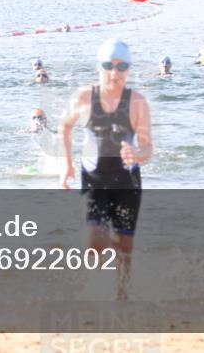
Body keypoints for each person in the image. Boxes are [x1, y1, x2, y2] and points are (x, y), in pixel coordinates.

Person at [60, 38, 153, 300]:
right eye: (108, 66)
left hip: (127, 183)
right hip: (94, 180)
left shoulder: (137, 102)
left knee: (125, 248)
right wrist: (67, 165)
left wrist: (137, 153)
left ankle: (122, 299)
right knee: (94, 243)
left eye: (122, 66)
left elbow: (148, 148)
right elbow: (64, 127)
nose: (115, 73)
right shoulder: (83, 97)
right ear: (98, 67)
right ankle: (95, 289)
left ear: (129, 69)